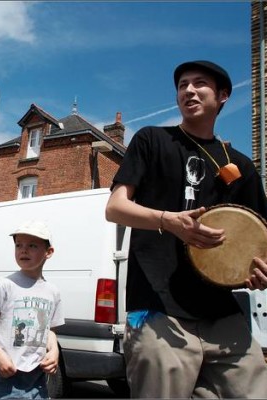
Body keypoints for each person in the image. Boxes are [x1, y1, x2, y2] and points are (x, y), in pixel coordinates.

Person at [105, 60, 267, 398]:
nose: (188, 90)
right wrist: (169, 221)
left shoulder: (242, 165)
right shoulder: (152, 140)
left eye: (199, 84)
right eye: (182, 85)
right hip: (159, 309)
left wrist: (258, 269)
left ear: (222, 96)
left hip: (223, 313)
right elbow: (115, 208)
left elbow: (257, 238)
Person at [0, 220, 64, 399]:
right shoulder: (6, 285)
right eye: (18, 245)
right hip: (6, 375)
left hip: (37, 377)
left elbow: (50, 331)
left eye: (32, 245)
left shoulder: (53, 292)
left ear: (49, 252)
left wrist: (54, 351)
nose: (24, 250)